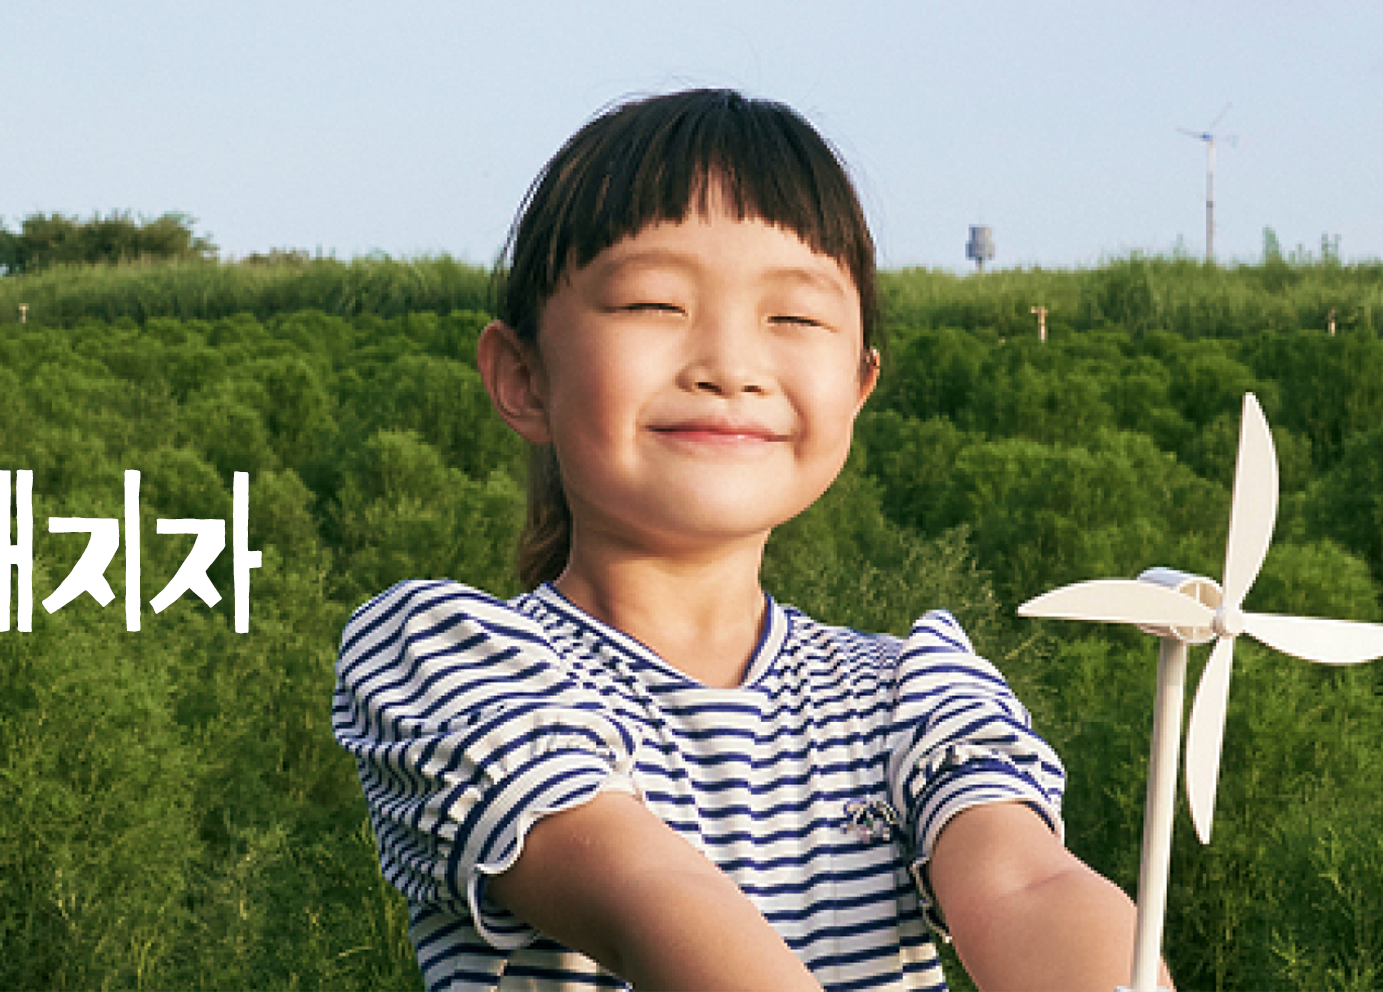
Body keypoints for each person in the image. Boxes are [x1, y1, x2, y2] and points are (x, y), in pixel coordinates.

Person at [331, 89, 1160, 991]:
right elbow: (647, 891)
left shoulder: (908, 695)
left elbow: (1030, 884)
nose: (729, 365)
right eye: (654, 303)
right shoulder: (447, 659)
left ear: (857, 386)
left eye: (793, 318)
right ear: (524, 377)